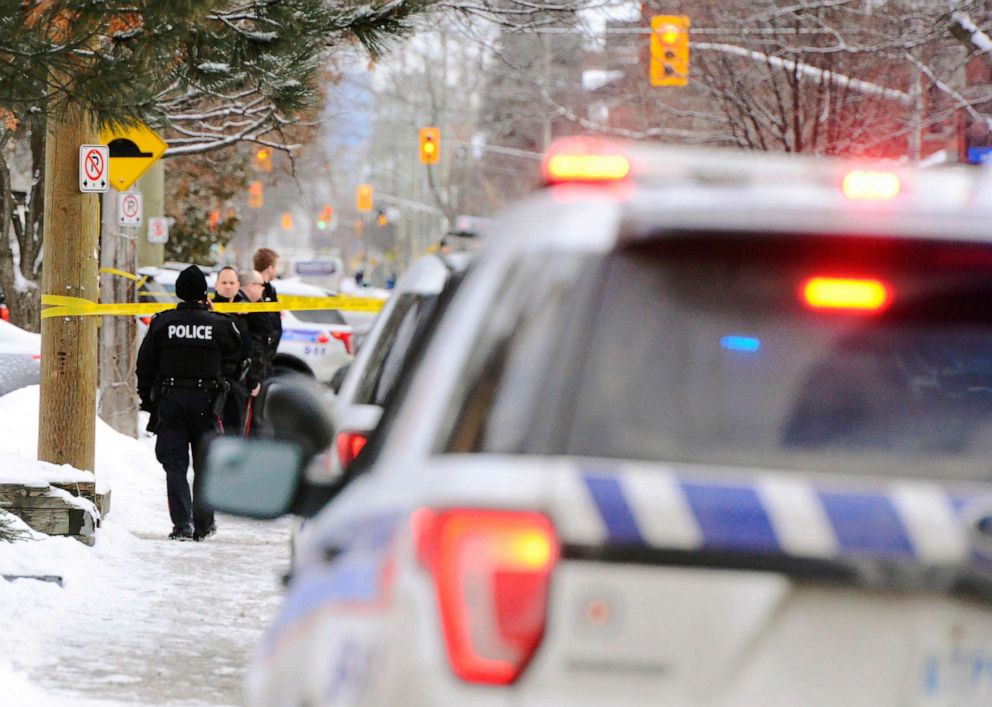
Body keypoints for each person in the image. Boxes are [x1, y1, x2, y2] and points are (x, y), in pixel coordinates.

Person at [136, 265, 244, 541]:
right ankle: (204, 524)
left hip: (171, 401)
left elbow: (144, 364)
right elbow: (238, 352)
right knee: (205, 465)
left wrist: (148, 398)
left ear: (179, 294)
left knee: (175, 466)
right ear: (204, 294)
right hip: (207, 403)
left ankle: (182, 525)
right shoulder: (219, 324)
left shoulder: (162, 323)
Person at [212, 266, 259, 434]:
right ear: (216, 285)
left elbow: (251, 348)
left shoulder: (245, 311)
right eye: (223, 282)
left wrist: (253, 379)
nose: (228, 286)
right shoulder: (209, 310)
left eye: (232, 282)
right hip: (212, 383)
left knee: (235, 433)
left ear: (238, 285)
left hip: (237, 382)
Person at [241, 269, 278, 385]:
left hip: (254, 371)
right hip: (249, 375)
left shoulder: (254, 305)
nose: (263, 289)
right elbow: (253, 346)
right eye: (261, 285)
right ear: (251, 286)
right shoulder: (246, 308)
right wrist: (254, 380)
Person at [252, 247, 282, 352]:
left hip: (266, 354)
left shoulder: (270, 290)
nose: (277, 270)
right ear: (270, 268)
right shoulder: (251, 289)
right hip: (257, 353)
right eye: (276, 266)